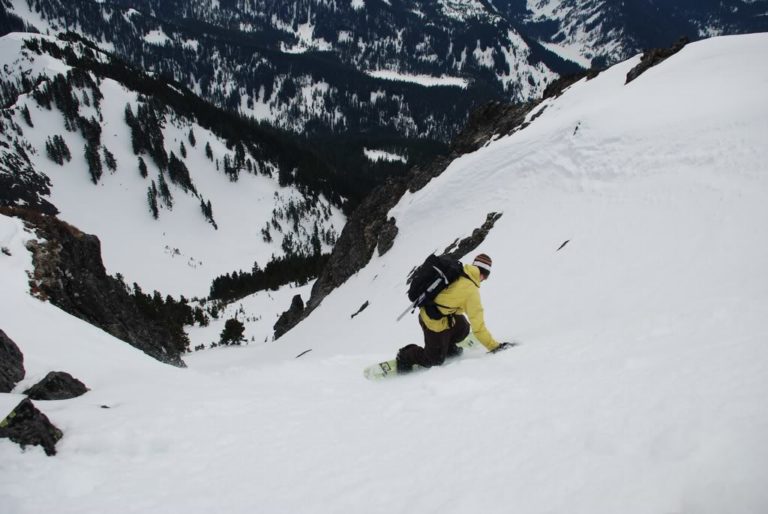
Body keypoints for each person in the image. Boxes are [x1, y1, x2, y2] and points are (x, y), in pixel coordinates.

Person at [396, 253, 512, 372]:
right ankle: (405, 356)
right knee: (434, 360)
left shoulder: (460, 270)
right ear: (483, 275)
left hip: (442, 315)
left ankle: (448, 347)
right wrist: (495, 347)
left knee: (464, 328)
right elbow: (478, 327)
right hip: (432, 319)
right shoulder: (471, 291)